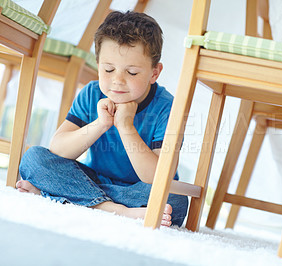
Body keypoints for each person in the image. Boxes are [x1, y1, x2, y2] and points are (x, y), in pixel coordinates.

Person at [16, 11, 188, 227]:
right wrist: (101, 124)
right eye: (108, 69)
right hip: (94, 178)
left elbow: (157, 176)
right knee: (34, 158)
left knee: (175, 200)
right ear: (98, 65)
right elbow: (58, 148)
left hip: (140, 188)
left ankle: (60, 193)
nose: (117, 81)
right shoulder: (91, 93)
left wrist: (126, 127)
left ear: (154, 73)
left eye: (132, 73)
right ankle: (115, 210)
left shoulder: (167, 108)